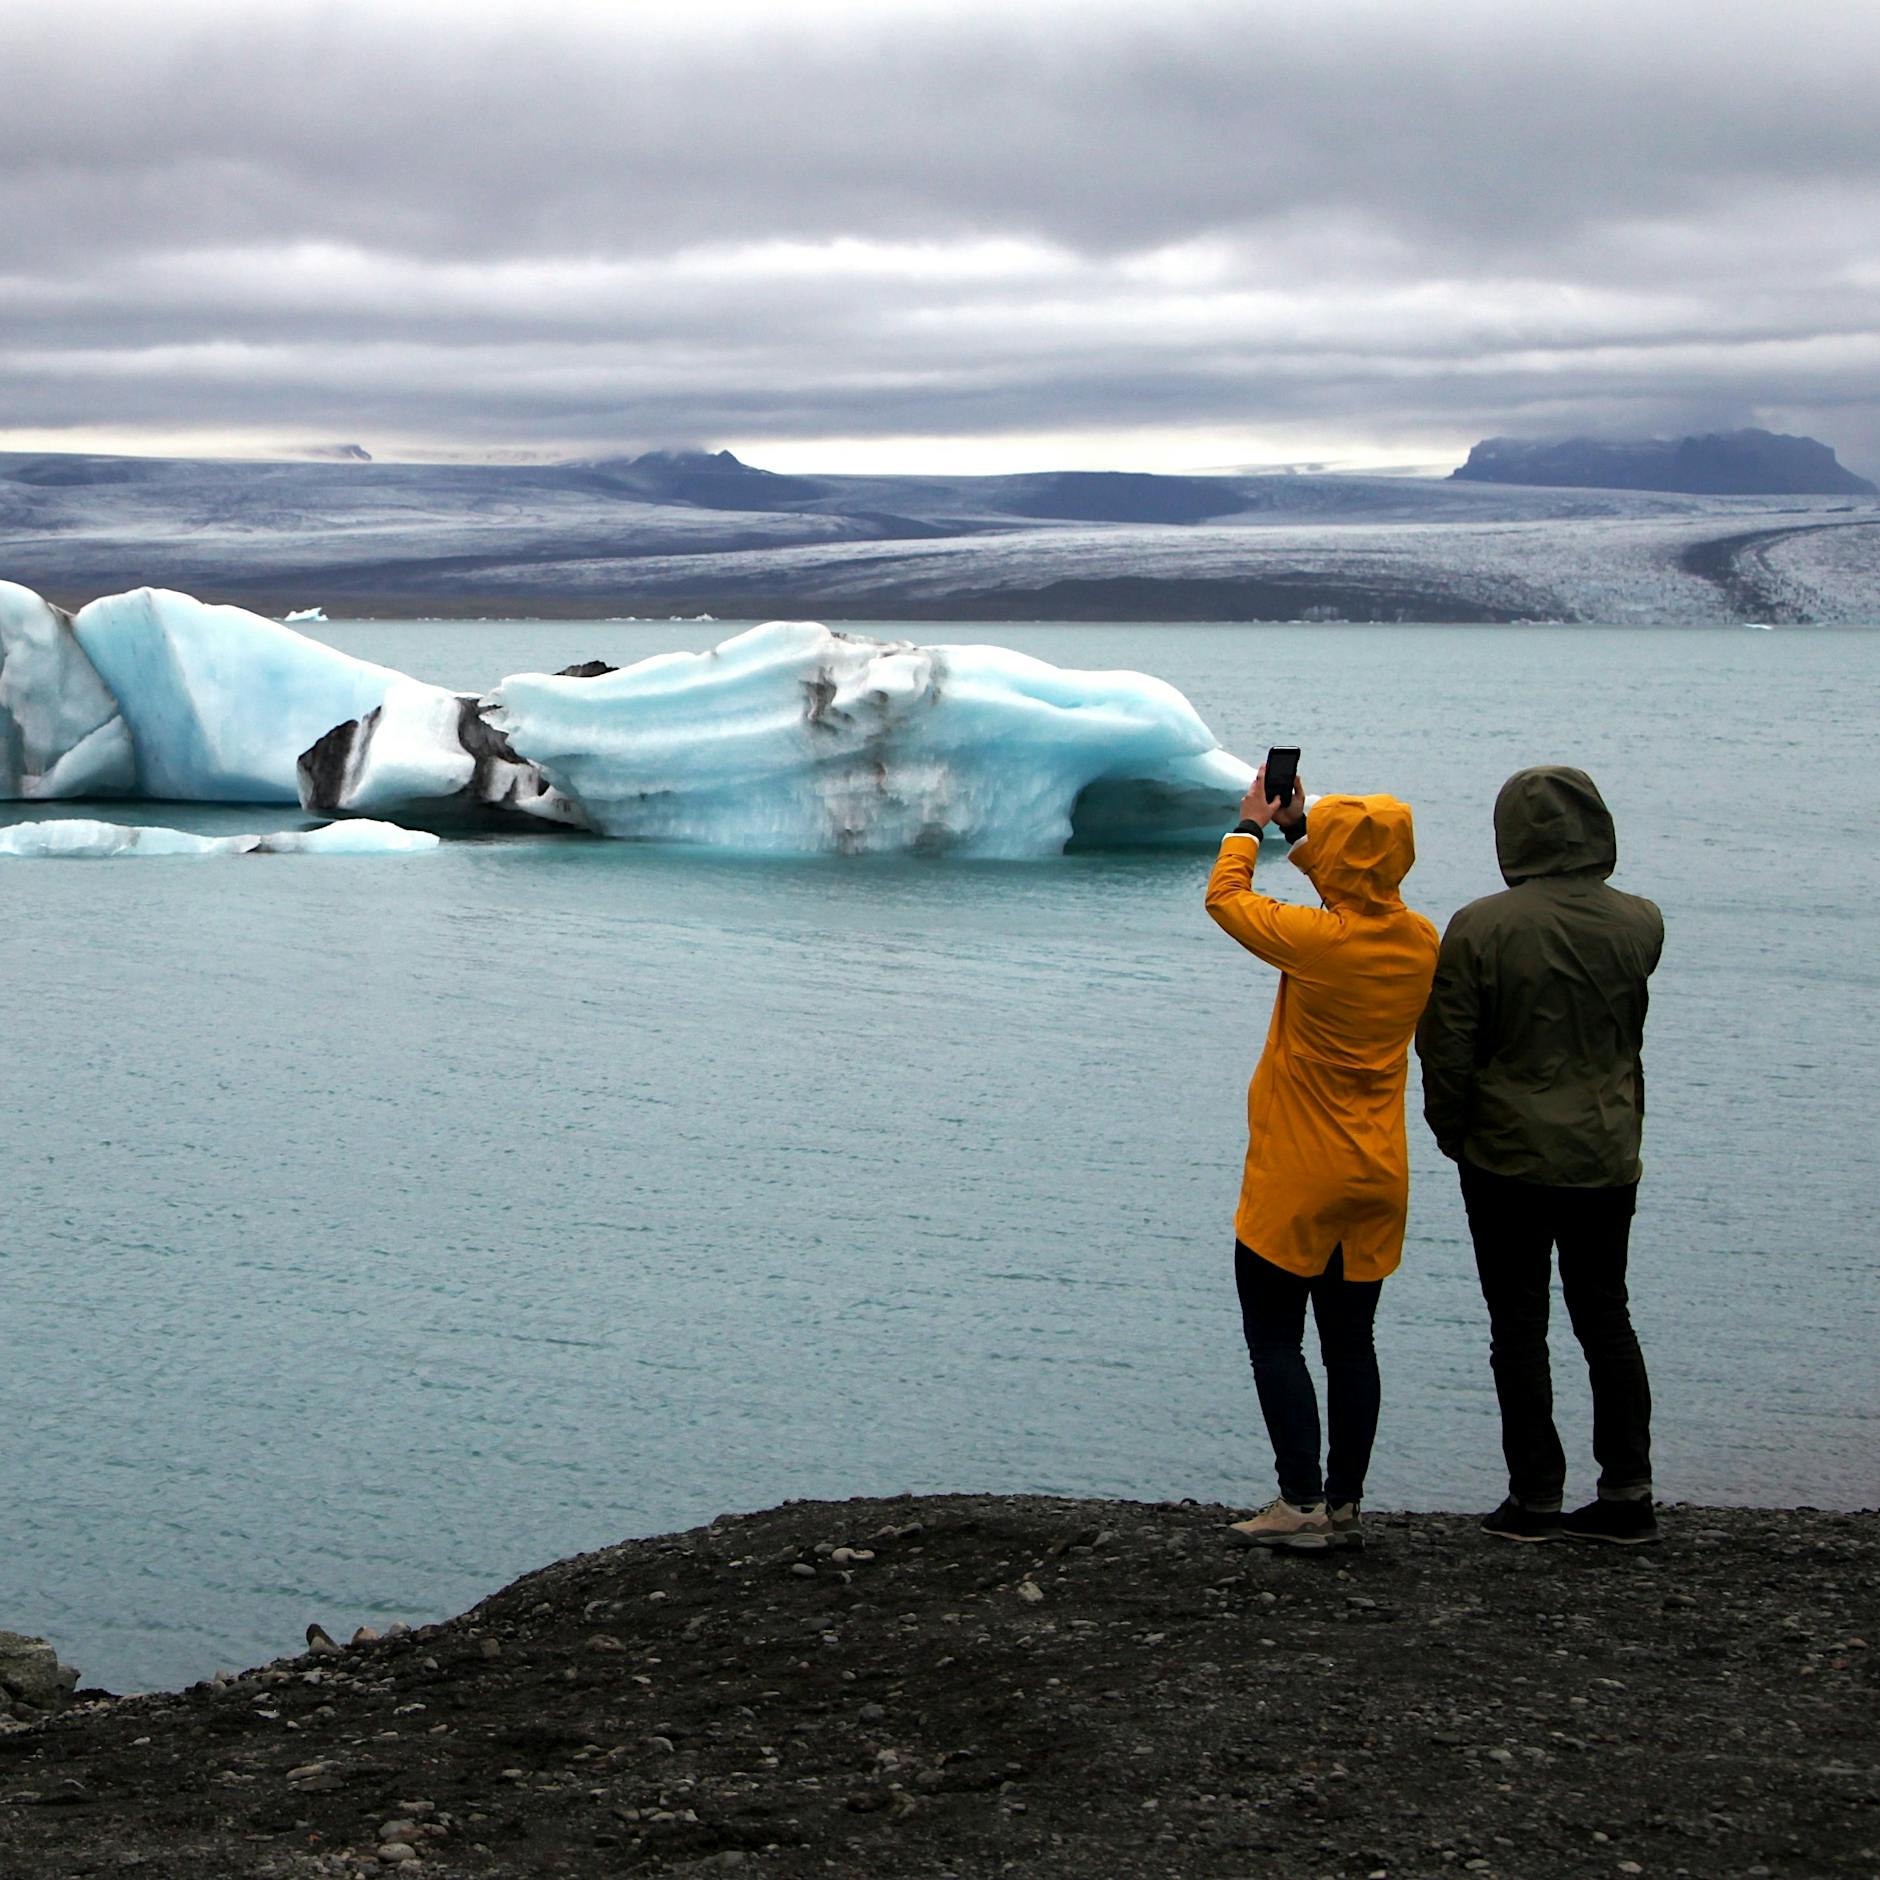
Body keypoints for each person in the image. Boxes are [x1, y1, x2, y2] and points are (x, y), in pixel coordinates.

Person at [1416, 765, 1664, 1546]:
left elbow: (1447, 1048)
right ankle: (1628, 1494)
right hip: (1606, 1147)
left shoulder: (1481, 926)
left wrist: (1454, 1133)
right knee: (1607, 1320)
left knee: (1518, 1328)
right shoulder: (1641, 921)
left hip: (1506, 1156)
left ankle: (1535, 1498)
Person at [1205, 766, 1439, 1551]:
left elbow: (1227, 902)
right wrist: (1305, 834)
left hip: (1299, 1176)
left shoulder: (1316, 945)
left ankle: (1297, 1503)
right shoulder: (1420, 942)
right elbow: (1358, 891)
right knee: (1351, 1345)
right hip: (1378, 1177)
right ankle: (1343, 1505)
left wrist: (1249, 828)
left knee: (1275, 1338)